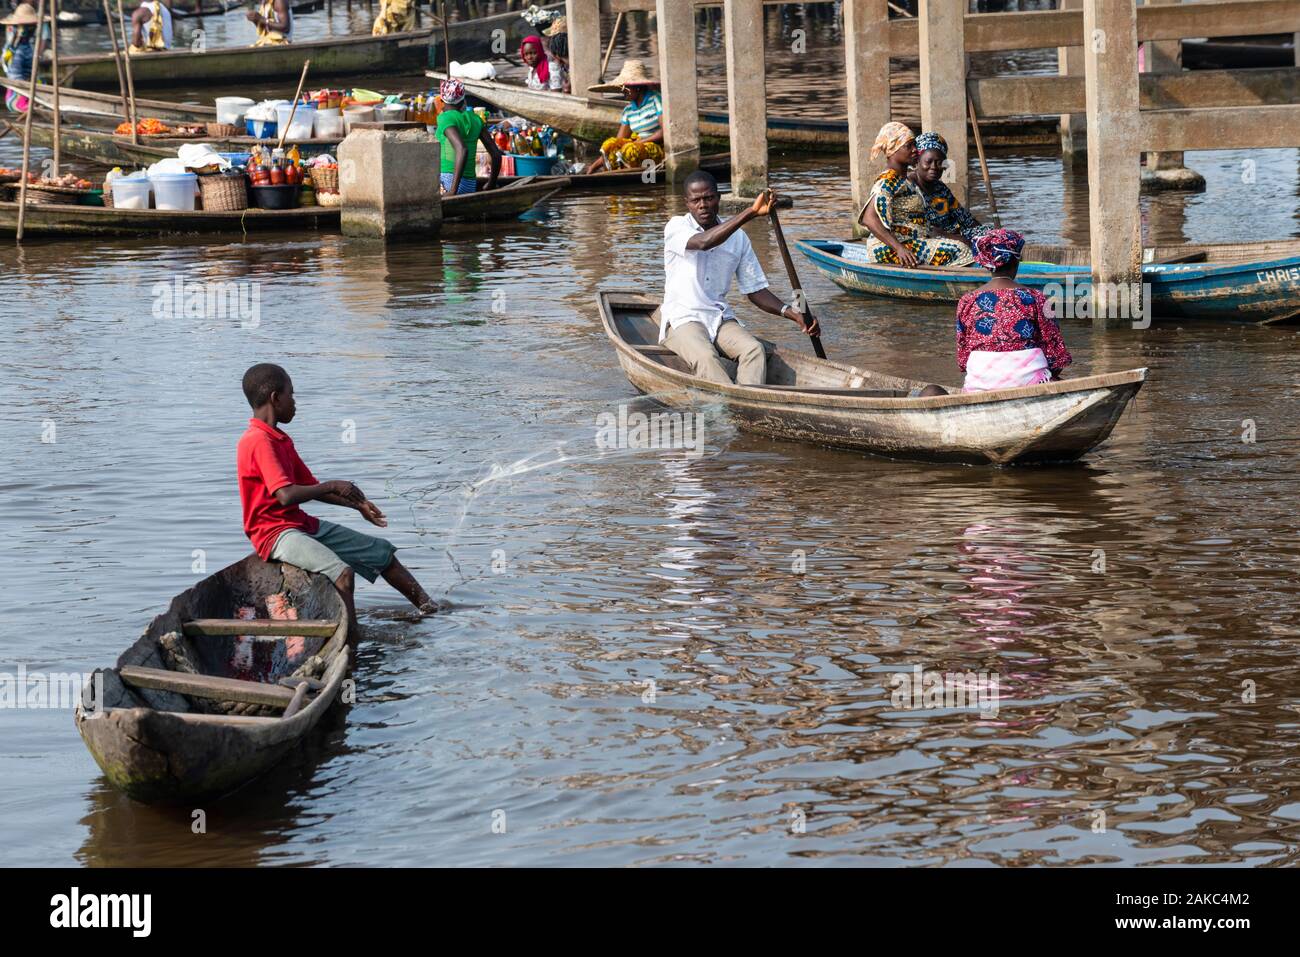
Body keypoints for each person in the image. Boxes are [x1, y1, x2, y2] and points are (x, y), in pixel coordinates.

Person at [237, 363, 435, 632]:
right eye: (292, 395)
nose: (295, 403)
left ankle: (429, 608)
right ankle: (350, 637)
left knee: (382, 553)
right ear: (276, 398)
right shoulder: (258, 441)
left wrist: (358, 505)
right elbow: (286, 495)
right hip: (273, 534)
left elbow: (310, 486)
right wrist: (332, 485)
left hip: (299, 525)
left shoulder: (280, 439)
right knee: (342, 573)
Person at [658, 171, 819, 387]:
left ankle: (749, 405)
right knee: (706, 358)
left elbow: (754, 291)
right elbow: (704, 242)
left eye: (708, 198)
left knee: (754, 350)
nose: (703, 205)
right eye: (696, 200)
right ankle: (725, 413)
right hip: (682, 319)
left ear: (718, 198)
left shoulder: (739, 239)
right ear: (687, 203)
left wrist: (792, 313)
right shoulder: (676, 226)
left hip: (718, 317)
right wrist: (751, 212)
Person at [955, 229, 1072, 392]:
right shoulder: (1036, 297)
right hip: (1029, 381)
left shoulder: (967, 300)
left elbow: (963, 358)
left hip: (980, 383)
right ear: (1017, 262)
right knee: (1058, 380)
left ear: (989, 264)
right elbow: (1056, 354)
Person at [858, 121, 974, 268]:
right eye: (909, 146)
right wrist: (899, 249)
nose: (915, 150)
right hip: (889, 248)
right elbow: (869, 218)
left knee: (962, 244)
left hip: (912, 242)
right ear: (894, 149)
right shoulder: (889, 180)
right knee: (960, 250)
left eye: (915, 145)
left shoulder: (905, 180)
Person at [909, 131, 990, 253]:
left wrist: (991, 235)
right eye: (928, 161)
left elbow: (965, 218)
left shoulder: (940, 188)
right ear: (917, 161)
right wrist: (959, 240)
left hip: (953, 235)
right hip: (927, 240)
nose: (934, 167)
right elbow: (925, 229)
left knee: (991, 235)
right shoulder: (909, 186)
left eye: (939, 162)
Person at [584, 59, 663, 174]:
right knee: (610, 144)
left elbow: (665, 132)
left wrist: (639, 143)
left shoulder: (656, 99)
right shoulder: (628, 110)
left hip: (656, 148)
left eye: (626, 87)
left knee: (630, 150)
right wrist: (593, 167)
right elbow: (618, 141)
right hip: (637, 145)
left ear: (637, 87)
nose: (622, 91)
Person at [434, 78, 500, 196]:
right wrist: (491, 183)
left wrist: (453, 190)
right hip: (470, 184)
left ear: (442, 98)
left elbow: (462, 149)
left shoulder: (445, 118)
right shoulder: (476, 119)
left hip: (449, 182)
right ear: (463, 98)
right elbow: (495, 154)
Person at [2, 2, 42, 111]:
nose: (33, 29)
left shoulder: (27, 46)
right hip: (18, 99)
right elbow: (16, 79)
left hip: (30, 93)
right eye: (29, 26)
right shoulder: (16, 50)